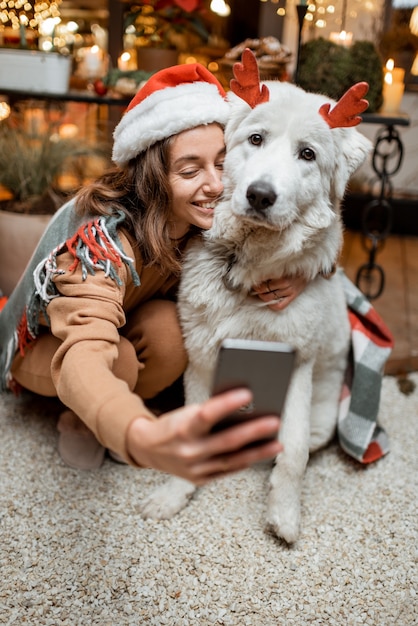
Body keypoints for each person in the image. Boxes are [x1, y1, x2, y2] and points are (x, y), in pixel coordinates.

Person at [1, 63, 306, 478]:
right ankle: (87, 419)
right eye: (189, 170)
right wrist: (136, 431)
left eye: (222, 163)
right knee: (117, 359)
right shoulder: (103, 241)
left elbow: (293, 237)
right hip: (48, 344)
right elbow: (84, 352)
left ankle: (119, 404)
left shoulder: (206, 216)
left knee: (171, 328)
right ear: (153, 179)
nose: (215, 185)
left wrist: (299, 275)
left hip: (126, 319)